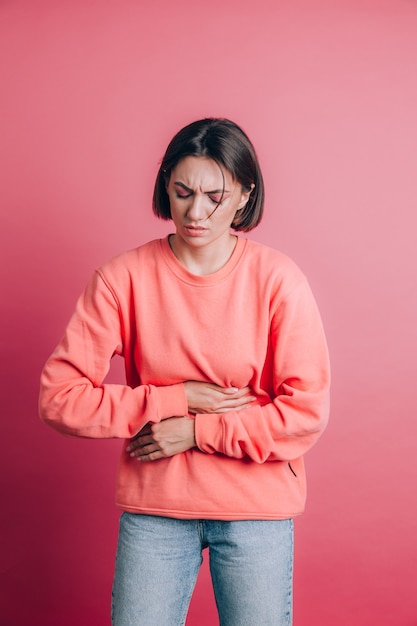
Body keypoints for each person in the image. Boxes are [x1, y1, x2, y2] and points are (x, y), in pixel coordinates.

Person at [39, 117, 330, 626]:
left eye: (215, 196)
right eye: (182, 192)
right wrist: (178, 398)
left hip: (254, 511)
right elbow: (60, 399)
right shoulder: (120, 279)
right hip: (156, 510)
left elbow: (303, 414)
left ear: (244, 195)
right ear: (166, 186)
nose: (196, 212)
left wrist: (194, 431)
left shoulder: (278, 280)